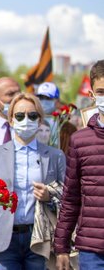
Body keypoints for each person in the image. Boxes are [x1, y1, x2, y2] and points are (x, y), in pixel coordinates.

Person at [0, 92, 66, 269]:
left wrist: (48, 196)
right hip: (2, 239)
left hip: (39, 239)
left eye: (32, 115)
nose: (26, 120)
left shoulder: (55, 155)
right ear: (11, 120)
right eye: (20, 116)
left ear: (40, 120)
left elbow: (67, 198)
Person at [55, 60, 104, 270]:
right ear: (92, 94)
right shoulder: (80, 140)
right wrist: (61, 246)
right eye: (101, 91)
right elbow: (71, 197)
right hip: (92, 250)